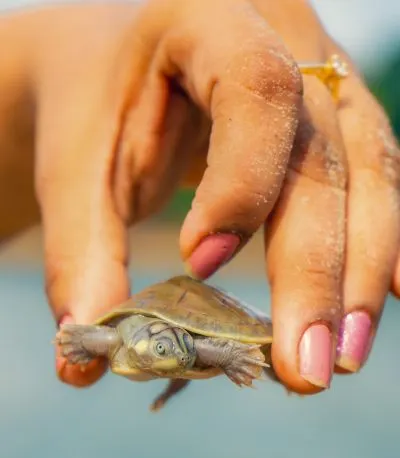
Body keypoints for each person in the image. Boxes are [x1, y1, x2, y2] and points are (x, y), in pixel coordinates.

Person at [0, 0, 399, 395]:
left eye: (171, 351)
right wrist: (80, 339)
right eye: (163, 350)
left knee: (225, 353)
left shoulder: (180, 348)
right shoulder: (128, 338)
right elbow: (102, 338)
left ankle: (274, 360)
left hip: (199, 326)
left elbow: (192, 349)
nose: (175, 356)